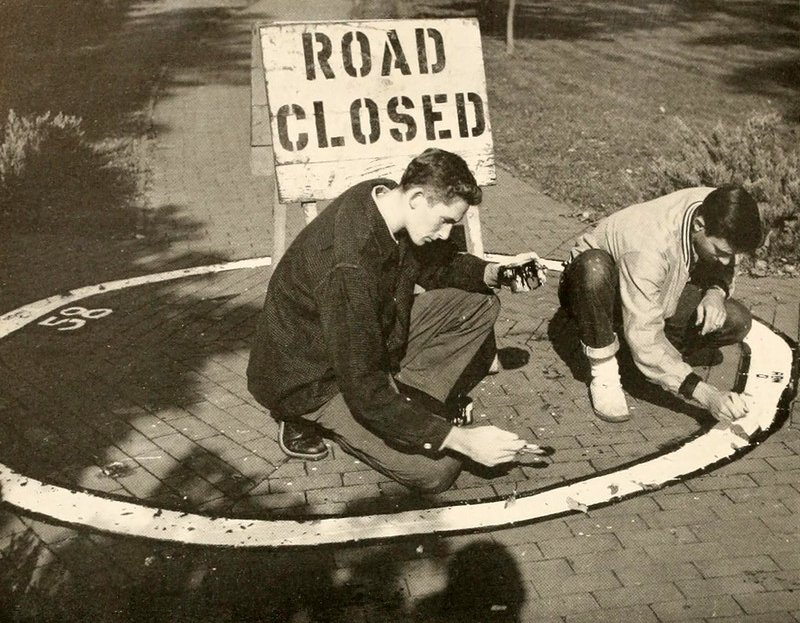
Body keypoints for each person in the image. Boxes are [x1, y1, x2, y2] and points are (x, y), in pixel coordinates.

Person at [247, 148, 543, 493]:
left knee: (479, 304)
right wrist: (460, 440)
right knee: (437, 470)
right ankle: (306, 418)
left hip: (361, 339)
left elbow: (436, 262)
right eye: (445, 221)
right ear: (416, 198)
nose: (446, 233)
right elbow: (363, 388)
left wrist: (496, 273)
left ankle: (404, 408)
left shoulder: (385, 197)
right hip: (314, 380)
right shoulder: (349, 267)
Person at [558, 185, 761, 423]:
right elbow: (644, 331)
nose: (726, 261)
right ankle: (604, 370)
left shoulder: (720, 206)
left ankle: (641, 358)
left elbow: (727, 259)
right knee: (594, 269)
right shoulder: (648, 246)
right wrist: (706, 394)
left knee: (735, 320)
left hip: (650, 290)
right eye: (720, 252)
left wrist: (715, 292)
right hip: (591, 290)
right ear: (699, 225)